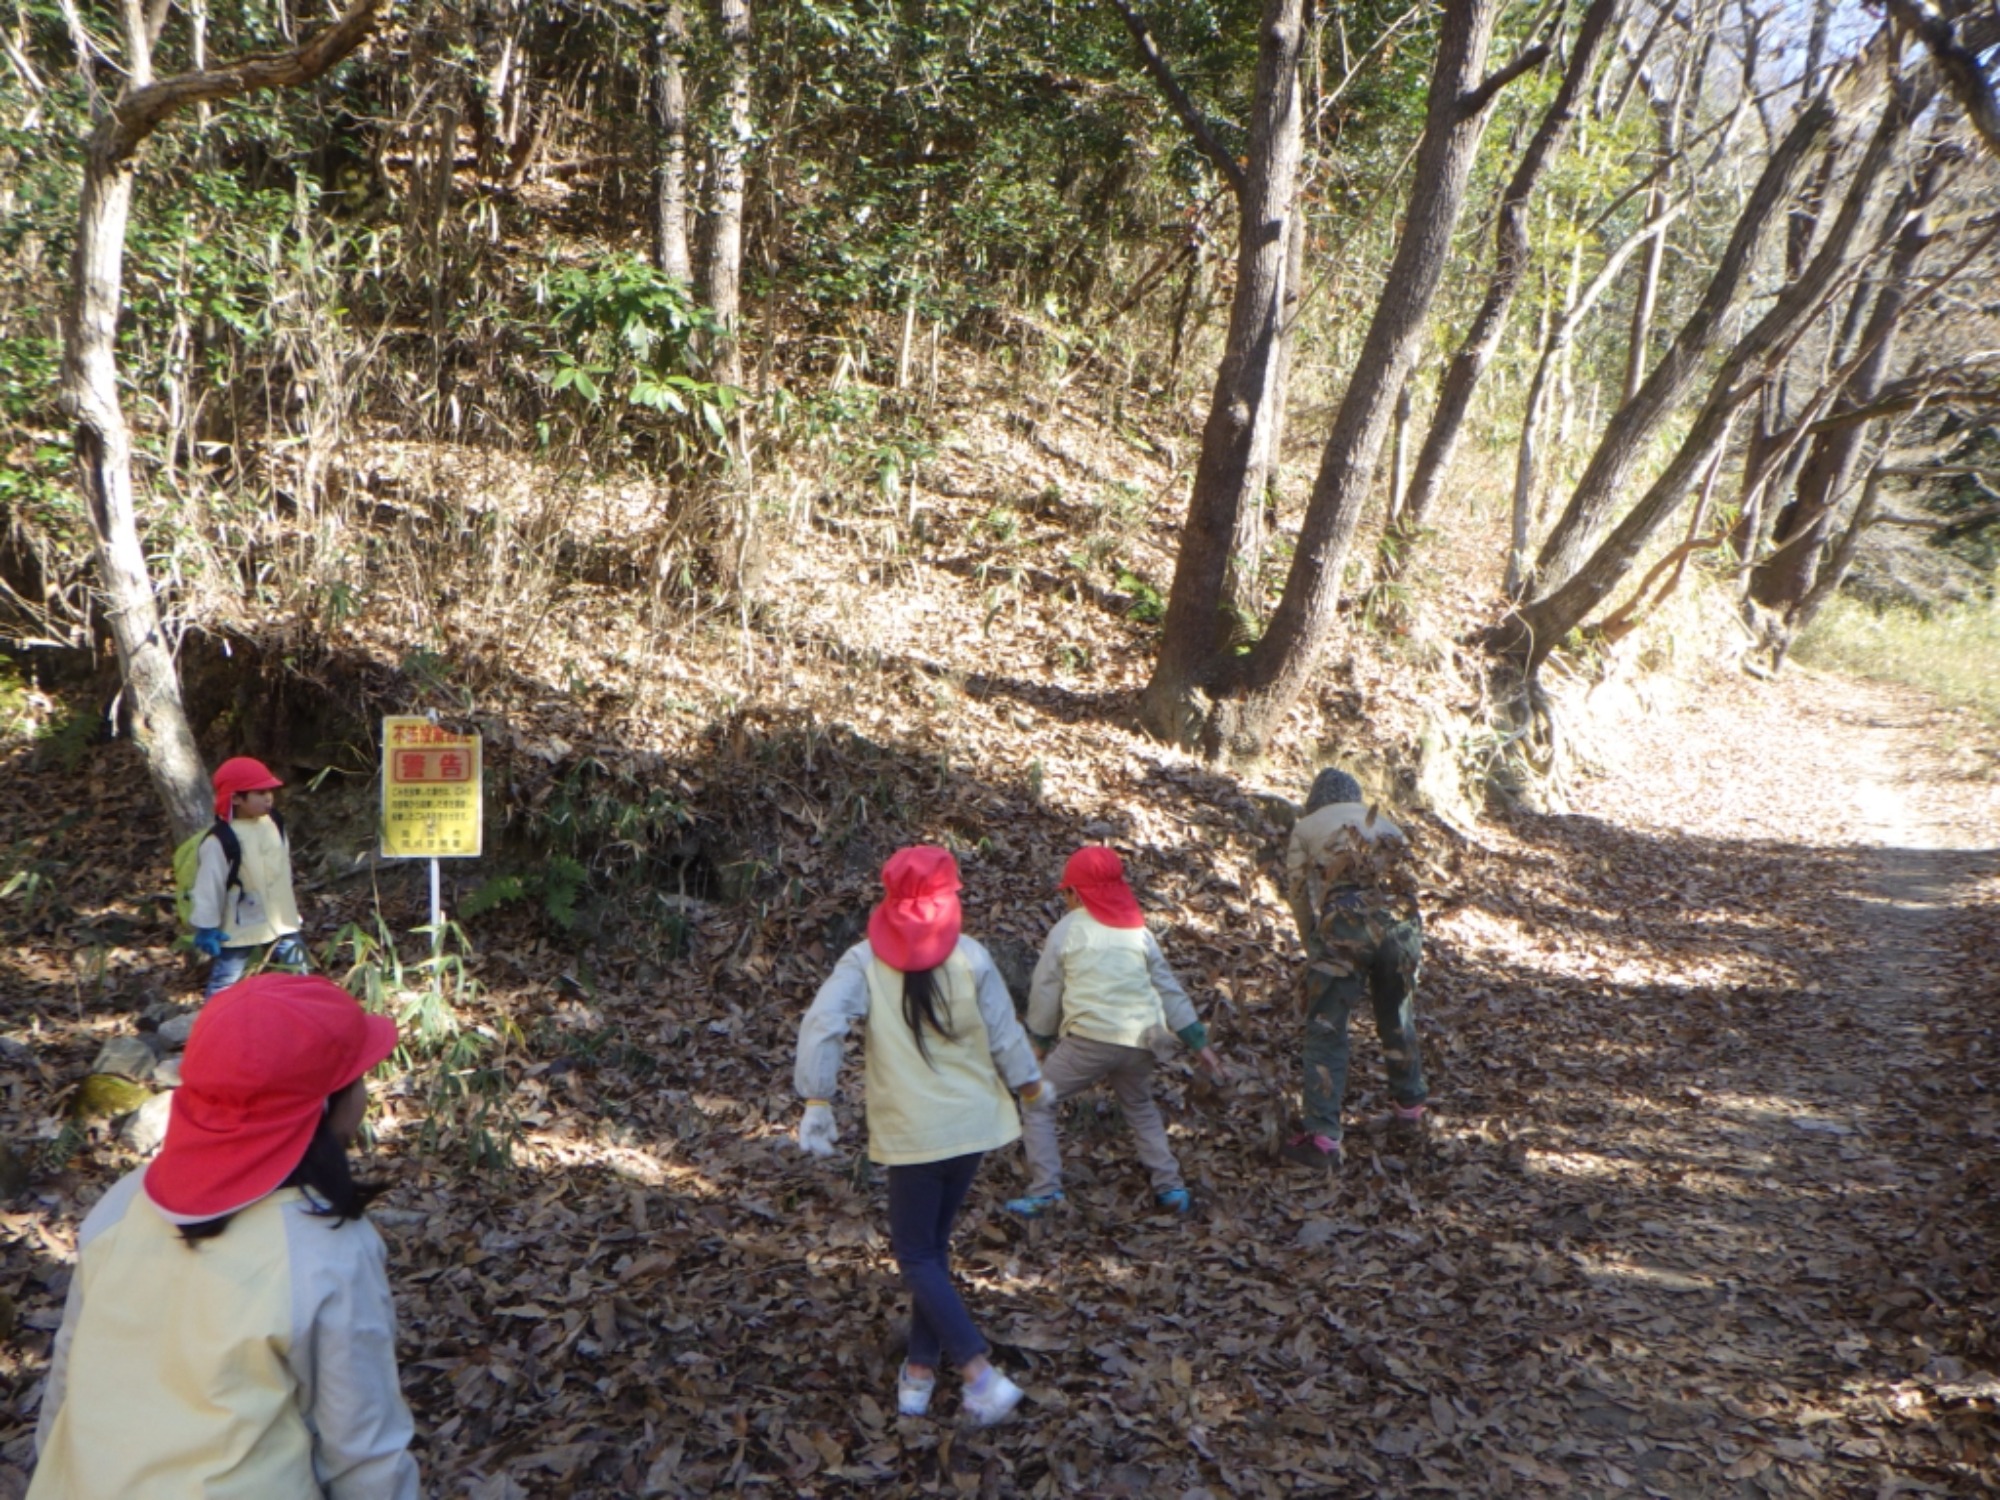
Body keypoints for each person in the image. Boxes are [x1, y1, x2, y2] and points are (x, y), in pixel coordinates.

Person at [29, 974, 419, 1499]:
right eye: (358, 1077)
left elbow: (66, 1385)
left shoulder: (122, 1205)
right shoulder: (326, 1248)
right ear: (326, 1106)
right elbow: (363, 1451)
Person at [793, 845, 1049, 1427]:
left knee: (915, 1253)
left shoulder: (862, 962)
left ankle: (978, 1374)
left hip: (914, 1134)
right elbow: (1006, 1033)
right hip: (973, 1127)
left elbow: (823, 1023)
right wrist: (1029, 1085)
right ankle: (919, 1368)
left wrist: (817, 1098)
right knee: (930, 1250)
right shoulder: (972, 957)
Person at [1006, 846, 1225, 1218]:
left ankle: (1045, 1190)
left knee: (1037, 1102)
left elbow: (1046, 989)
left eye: (1067, 893)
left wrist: (1039, 1041)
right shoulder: (1137, 930)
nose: (1066, 900)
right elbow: (1167, 987)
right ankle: (1170, 1187)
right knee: (1139, 1106)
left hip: (1092, 1037)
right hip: (1145, 1039)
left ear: (1077, 893)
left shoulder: (1068, 930)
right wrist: (1197, 1042)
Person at [1280, 768, 1428, 1168]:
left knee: (1327, 1026)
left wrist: (1312, 941)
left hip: (1345, 920)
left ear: (1315, 800)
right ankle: (1409, 1108)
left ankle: (1323, 1136)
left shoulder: (1307, 825)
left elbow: (1297, 891)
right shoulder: (1387, 824)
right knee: (1397, 1014)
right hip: (1400, 923)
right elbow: (1410, 888)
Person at [190, 756, 309, 998]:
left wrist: (290, 907)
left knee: (300, 974)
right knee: (226, 981)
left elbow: (283, 865)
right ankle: (214, 1028)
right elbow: (208, 886)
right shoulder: (220, 840)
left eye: (270, 791)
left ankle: (308, 1022)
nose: (269, 798)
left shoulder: (274, 822)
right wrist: (207, 927)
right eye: (260, 792)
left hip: (282, 920)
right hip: (241, 923)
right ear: (236, 798)